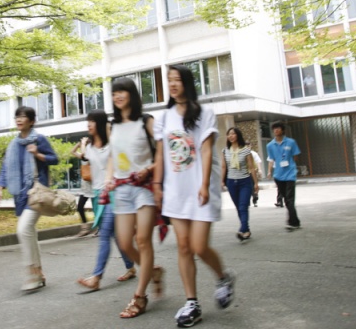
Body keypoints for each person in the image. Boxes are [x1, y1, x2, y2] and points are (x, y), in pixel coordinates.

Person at [153, 65, 235, 328]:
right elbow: (159, 154)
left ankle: (223, 277)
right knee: (185, 247)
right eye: (169, 80)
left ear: (187, 83)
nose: (173, 84)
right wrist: (157, 184)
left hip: (200, 189)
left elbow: (207, 149)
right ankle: (192, 302)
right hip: (175, 191)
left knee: (199, 246)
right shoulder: (164, 117)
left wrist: (203, 185)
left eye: (177, 80)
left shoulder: (205, 113)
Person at [103, 77, 161, 319]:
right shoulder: (112, 126)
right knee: (126, 244)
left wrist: (149, 170)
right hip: (122, 188)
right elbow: (112, 157)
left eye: (122, 91)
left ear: (132, 94)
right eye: (114, 92)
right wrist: (108, 178)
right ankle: (153, 271)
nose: (118, 96)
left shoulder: (146, 121)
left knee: (142, 240)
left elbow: (164, 152)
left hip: (144, 187)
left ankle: (140, 296)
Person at [0, 106, 59, 292]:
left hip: (37, 192)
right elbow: (6, 167)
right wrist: (0, 187)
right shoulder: (13, 144)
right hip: (21, 195)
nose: (19, 120)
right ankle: (38, 274)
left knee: (23, 230)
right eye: (17, 116)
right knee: (29, 232)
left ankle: (32, 274)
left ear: (31, 121)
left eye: (23, 117)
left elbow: (54, 159)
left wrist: (37, 154)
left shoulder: (39, 139)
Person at [73, 110, 138, 291]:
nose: (88, 125)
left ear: (101, 124)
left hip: (114, 193)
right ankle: (132, 267)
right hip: (98, 195)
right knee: (116, 236)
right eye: (87, 122)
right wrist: (84, 144)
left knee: (104, 234)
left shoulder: (112, 145)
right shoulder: (92, 148)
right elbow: (84, 158)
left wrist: (109, 130)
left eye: (92, 121)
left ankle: (96, 276)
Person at [221, 128, 258, 241]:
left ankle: (242, 229)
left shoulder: (246, 150)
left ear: (238, 135)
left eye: (233, 133)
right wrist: (222, 181)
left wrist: (256, 183)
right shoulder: (225, 151)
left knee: (243, 206)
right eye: (229, 134)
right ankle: (246, 230)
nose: (231, 136)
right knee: (239, 207)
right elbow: (223, 167)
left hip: (245, 182)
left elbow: (251, 168)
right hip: (231, 182)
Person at [266, 121, 301, 231]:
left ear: (283, 130)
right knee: (286, 199)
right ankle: (295, 221)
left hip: (290, 174)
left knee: (290, 199)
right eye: (274, 129)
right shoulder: (270, 145)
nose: (276, 130)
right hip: (278, 175)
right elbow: (271, 159)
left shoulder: (291, 142)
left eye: (278, 128)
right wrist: (269, 172)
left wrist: (291, 166)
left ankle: (292, 222)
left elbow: (295, 157)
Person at [72, 138, 95, 237]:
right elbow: (72, 152)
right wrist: (79, 143)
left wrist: (83, 143)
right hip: (85, 188)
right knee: (80, 207)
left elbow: (85, 154)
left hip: (94, 186)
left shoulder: (91, 156)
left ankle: (100, 228)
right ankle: (85, 228)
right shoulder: (83, 156)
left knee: (97, 209)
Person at [245, 142, 263, 207]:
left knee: (254, 186)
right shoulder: (242, 154)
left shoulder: (253, 153)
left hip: (253, 172)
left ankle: (255, 199)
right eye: (246, 146)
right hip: (245, 173)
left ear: (250, 146)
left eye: (248, 146)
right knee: (247, 187)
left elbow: (258, 161)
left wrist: (260, 169)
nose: (247, 147)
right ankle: (248, 201)